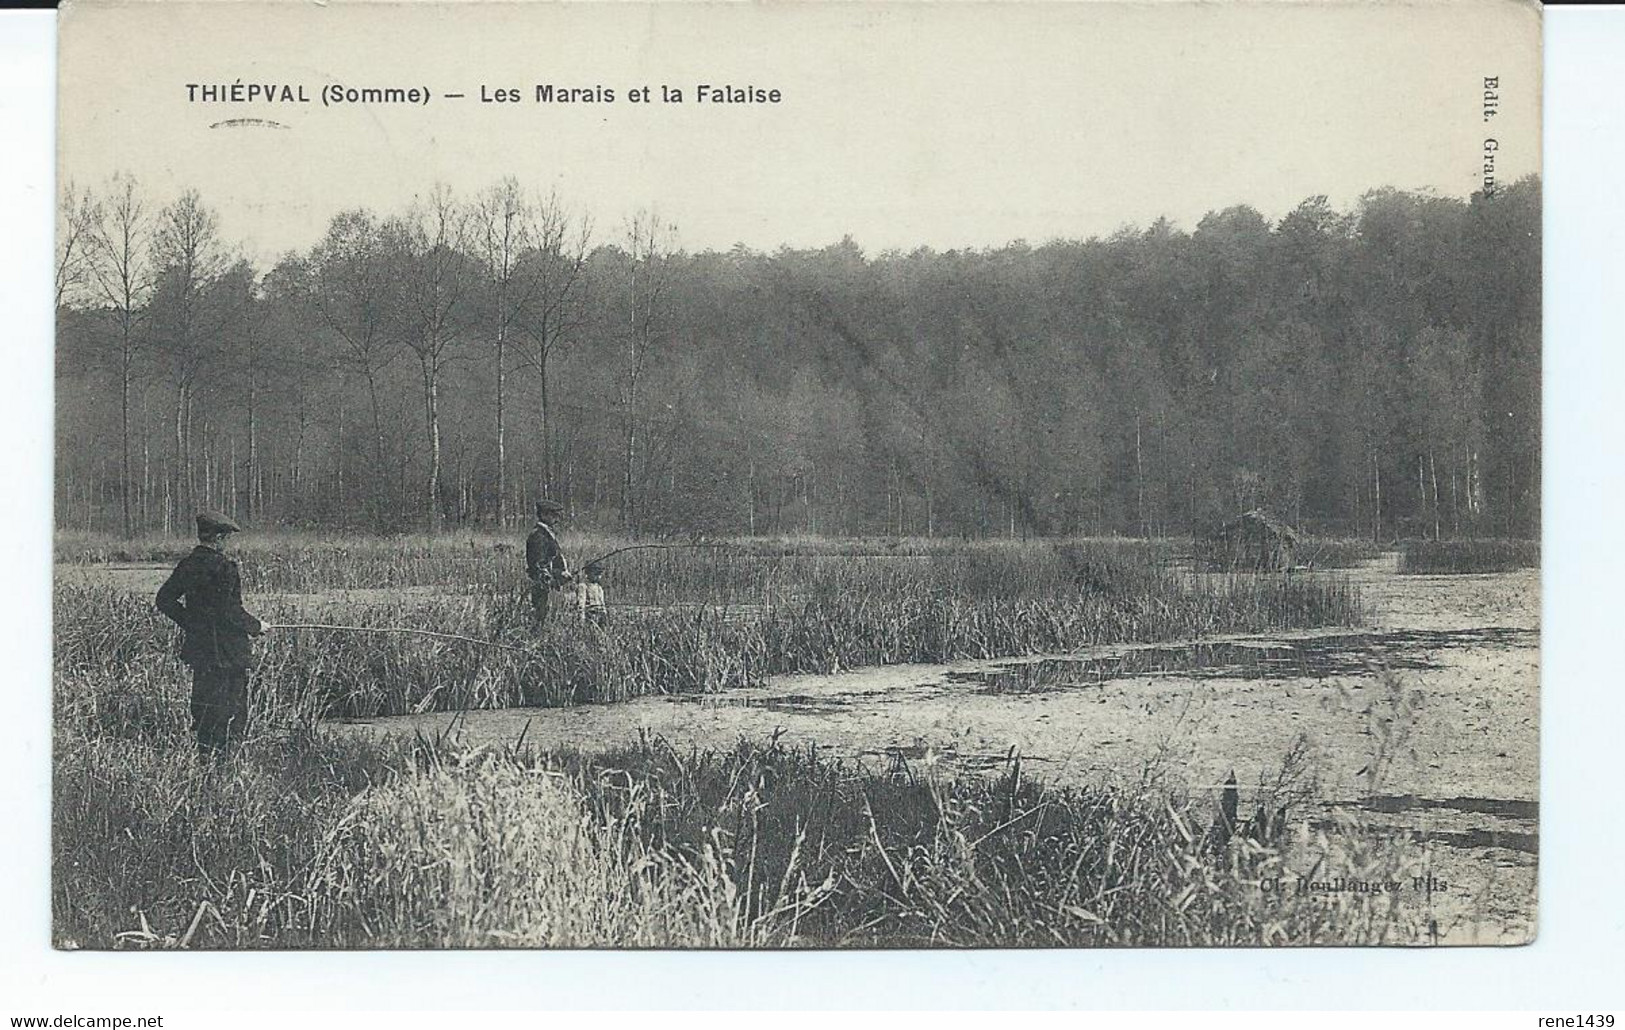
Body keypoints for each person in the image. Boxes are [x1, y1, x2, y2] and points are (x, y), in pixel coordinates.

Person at [155, 511, 265, 758]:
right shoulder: (225, 568)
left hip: (201, 651)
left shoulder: (188, 565)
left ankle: (206, 763)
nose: (227, 543)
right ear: (218, 538)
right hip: (228, 654)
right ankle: (226, 768)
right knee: (232, 713)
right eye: (226, 538)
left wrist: (192, 623)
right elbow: (230, 611)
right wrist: (256, 626)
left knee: (204, 710)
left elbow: (164, 600)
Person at [525, 500, 570, 626]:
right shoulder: (539, 536)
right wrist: (557, 575)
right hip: (542, 584)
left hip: (548, 584)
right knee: (539, 615)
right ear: (544, 515)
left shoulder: (546, 534)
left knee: (544, 616)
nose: (557, 519)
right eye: (553, 515)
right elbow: (539, 565)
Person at [576, 562, 608, 627]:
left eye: (599, 574)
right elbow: (581, 604)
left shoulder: (599, 588)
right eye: (595, 574)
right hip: (589, 616)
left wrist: (604, 615)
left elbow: (602, 603)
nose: (598, 577)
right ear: (588, 573)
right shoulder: (583, 586)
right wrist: (582, 619)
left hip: (599, 616)